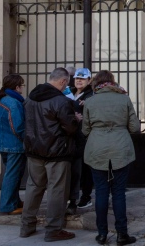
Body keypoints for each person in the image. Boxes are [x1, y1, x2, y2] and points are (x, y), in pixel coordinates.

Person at [83, 70, 140, 245]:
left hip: (97, 149)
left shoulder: (90, 101)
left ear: (96, 83)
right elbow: (135, 127)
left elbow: (85, 129)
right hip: (120, 148)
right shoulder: (124, 99)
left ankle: (102, 234)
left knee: (100, 191)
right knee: (118, 193)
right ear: (113, 82)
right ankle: (122, 234)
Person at [20, 68, 78, 242]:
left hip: (34, 150)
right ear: (63, 82)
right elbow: (70, 127)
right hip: (57, 152)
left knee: (33, 188)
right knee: (57, 191)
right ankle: (53, 230)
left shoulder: (30, 98)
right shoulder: (61, 101)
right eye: (66, 83)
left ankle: (26, 226)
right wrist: (76, 119)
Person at [0, 74, 26, 215]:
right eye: (22, 85)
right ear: (17, 87)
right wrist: (26, 140)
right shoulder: (13, 102)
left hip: (2, 143)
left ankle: (14, 201)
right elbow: (17, 127)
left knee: (11, 174)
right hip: (14, 145)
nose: (23, 88)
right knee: (12, 176)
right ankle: (7, 206)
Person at [66, 68, 95, 214]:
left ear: (89, 80)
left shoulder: (91, 95)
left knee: (85, 169)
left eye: (82, 79)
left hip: (84, 137)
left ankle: (85, 196)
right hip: (70, 136)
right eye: (77, 78)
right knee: (72, 170)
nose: (78, 81)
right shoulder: (68, 92)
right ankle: (71, 197)